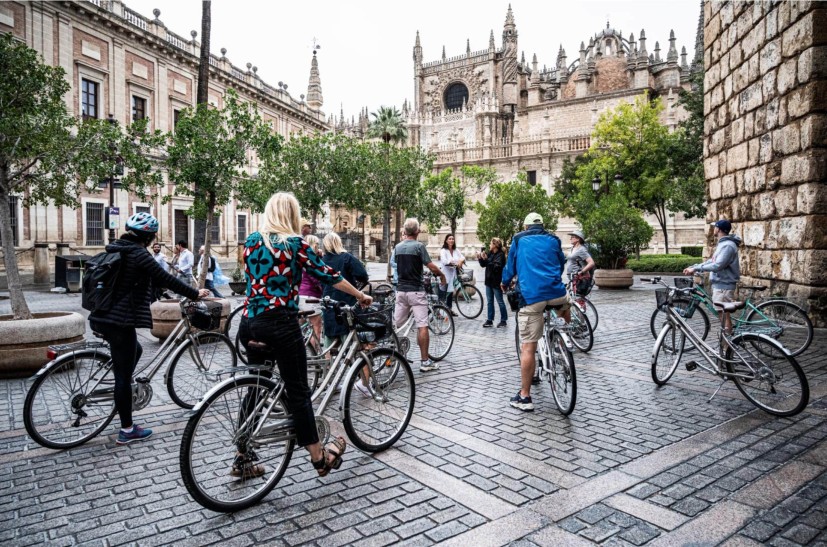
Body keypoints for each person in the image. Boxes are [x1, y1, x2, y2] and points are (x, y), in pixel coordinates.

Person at [240, 192, 372, 478]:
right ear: (291, 215)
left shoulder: (251, 241)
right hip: (279, 324)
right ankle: (318, 458)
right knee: (298, 390)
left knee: (256, 386)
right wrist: (360, 294)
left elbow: (256, 282)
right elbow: (328, 275)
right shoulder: (294, 244)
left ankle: (242, 456)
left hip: (249, 322)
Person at [88, 212, 210, 445]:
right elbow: (165, 277)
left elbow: (143, 281)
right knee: (123, 377)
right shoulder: (138, 254)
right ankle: (127, 429)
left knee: (137, 351)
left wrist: (157, 292)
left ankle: (121, 387)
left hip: (101, 315)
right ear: (148, 237)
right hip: (119, 321)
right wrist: (195, 292)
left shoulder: (116, 249)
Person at [501, 212, 569, 412]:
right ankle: (565, 337)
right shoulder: (553, 239)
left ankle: (525, 396)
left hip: (532, 297)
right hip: (557, 293)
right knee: (565, 305)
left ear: (525, 227)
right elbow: (561, 262)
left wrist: (505, 283)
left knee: (528, 348)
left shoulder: (519, 240)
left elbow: (510, 267)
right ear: (542, 226)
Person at [393, 218, 446, 372]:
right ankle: (425, 362)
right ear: (417, 231)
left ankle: (390, 355)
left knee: (396, 324)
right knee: (422, 325)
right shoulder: (419, 247)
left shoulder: (397, 247)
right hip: (416, 290)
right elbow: (430, 266)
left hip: (400, 291)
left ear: (404, 231)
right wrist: (441, 275)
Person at [683, 219, 742, 333]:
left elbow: (717, 265)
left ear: (718, 229)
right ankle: (727, 343)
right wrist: (695, 266)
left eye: (715, 227)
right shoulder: (723, 244)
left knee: (723, 315)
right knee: (722, 314)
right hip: (721, 284)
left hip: (723, 285)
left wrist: (695, 268)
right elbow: (712, 261)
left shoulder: (728, 246)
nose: (713, 229)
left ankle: (728, 346)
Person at [299, 235, 324, 349]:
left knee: (299, 329)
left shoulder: (301, 257)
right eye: (317, 244)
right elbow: (315, 278)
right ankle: (315, 357)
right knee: (316, 329)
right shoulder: (311, 260)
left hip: (300, 295)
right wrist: (322, 288)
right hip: (311, 298)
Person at [478, 237, 508, 328]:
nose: (489, 245)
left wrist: (487, 260)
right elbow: (484, 265)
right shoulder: (490, 253)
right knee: (489, 302)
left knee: (500, 301)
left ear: (495, 245)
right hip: (488, 281)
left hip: (496, 282)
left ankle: (503, 320)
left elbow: (496, 267)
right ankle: (490, 320)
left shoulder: (500, 255)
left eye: (491, 244)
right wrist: (480, 258)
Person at [438, 234, 464, 317]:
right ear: (446, 240)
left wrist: (461, 261)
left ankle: (449, 310)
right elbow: (445, 261)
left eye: (453, 239)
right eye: (450, 239)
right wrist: (454, 262)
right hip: (444, 274)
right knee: (442, 293)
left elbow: (462, 257)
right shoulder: (443, 251)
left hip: (453, 274)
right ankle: (437, 312)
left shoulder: (456, 250)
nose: (451, 240)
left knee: (450, 293)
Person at [567, 230, 596, 297]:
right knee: (574, 298)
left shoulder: (581, 249)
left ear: (578, 239)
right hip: (573, 277)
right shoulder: (572, 248)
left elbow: (591, 263)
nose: (570, 238)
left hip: (580, 278)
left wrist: (581, 272)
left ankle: (580, 308)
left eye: (572, 237)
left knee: (579, 299)